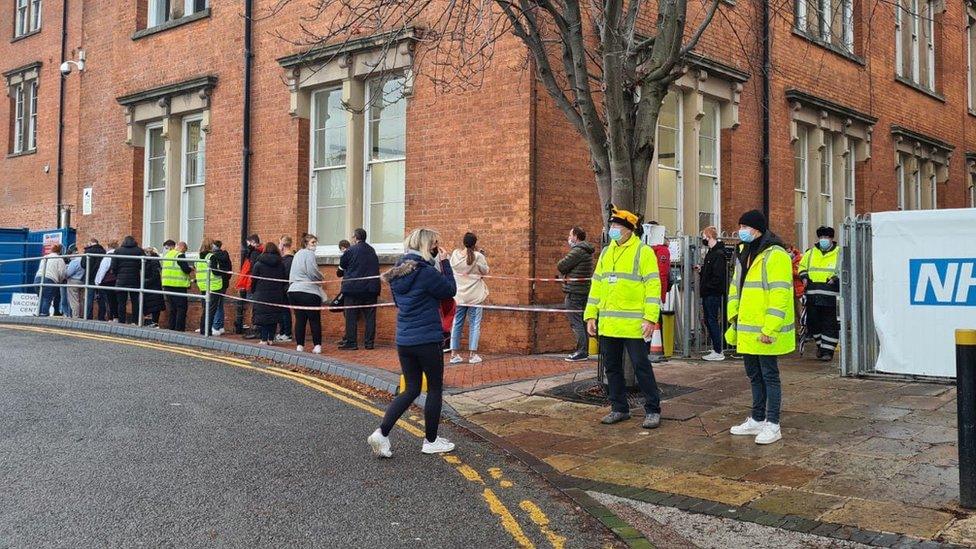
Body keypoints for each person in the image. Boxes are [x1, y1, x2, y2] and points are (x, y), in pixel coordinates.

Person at [368, 228, 457, 457]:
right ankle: (430, 441)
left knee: (411, 389)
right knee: (435, 389)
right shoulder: (426, 272)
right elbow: (449, 291)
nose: (438, 248)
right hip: (427, 338)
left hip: (405, 339)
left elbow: (400, 304)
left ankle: (382, 433)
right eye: (436, 244)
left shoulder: (398, 274)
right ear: (428, 247)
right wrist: (445, 263)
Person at [584, 207, 663, 429]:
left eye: (617, 226)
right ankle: (619, 408)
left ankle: (653, 410)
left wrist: (650, 318)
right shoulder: (607, 252)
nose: (613, 230)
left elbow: (652, 285)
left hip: (635, 325)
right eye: (612, 226)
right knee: (612, 367)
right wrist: (591, 315)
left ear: (630, 230)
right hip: (609, 324)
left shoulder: (643, 252)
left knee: (641, 366)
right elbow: (597, 284)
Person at [726, 210, 795, 445]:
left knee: (769, 376)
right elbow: (736, 287)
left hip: (764, 329)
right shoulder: (744, 253)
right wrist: (733, 320)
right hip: (747, 327)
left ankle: (773, 424)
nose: (741, 231)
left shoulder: (775, 255)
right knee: (754, 375)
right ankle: (757, 418)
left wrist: (770, 328)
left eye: (745, 226)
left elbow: (780, 294)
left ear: (757, 229)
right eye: (740, 226)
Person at [799, 226, 840, 361]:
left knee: (829, 324)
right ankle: (820, 346)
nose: (823, 240)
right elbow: (802, 267)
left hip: (830, 296)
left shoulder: (839, 253)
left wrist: (835, 278)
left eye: (826, 237)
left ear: (831, 239)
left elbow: (844, 269)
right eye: (821, 237)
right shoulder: (810, 253)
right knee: (813, 323)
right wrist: (804, 277)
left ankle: (827, 351)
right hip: (812, 295)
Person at [449, 233, 489, 364]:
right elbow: (485, 271)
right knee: (475, 324)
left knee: (457, 324)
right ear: (475, 243)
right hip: (475, 296)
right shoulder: (479, 256)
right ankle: (472, 355)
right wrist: (482, 255)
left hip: (459, 296)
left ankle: (454, 354)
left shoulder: (455, 255)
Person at [557, 226, 595, 362]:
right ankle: (584, 350)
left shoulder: (578, 251)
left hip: (574, 291)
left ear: (576, 236)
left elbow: (561, 265)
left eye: (570, 235)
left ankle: (581, 351)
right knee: (583, 322)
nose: (569, 238)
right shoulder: (587, 251)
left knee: (576, 322)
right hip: (583, 290)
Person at [339, 228, 380, 350]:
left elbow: (341, 268)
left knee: (351, 315)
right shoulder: (372, 250)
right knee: (370, 317)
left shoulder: (351, 250)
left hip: (353, 288)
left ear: (356, 238)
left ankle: (351, 342)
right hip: (371, 288)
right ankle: (369, 343)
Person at [289, 233, 327, 353]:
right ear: (306, 244)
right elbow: (312, 271)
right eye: (313, 243)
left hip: (294, 291)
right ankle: (317, 346)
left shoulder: (297, 255)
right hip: (308, 291)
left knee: (300, 319)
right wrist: (321, 277)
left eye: (316, 243)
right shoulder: (309, 254)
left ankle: (300, 345)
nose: (315, 245)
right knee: (314, 319)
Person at [696, 226, 728, 361]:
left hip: (712, 293)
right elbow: (711, 273)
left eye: (704, 236)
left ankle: (718, 350)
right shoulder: (712, 253)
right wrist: (701, 270)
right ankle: (716, 348)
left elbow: (717, 276)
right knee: (709, 321)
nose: (703, 239)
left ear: (709, 237)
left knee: (712, 320)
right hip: (709, 292)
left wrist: (707, 287)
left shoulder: (718, 254)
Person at [250, 242, 288, 345]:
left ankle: (263, 339)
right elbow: (284, 279)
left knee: (263, 318)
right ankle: (271, 339)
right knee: (273, 317)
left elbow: (253, 280)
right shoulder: (281, 264)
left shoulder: (258, 264)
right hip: (277, 294)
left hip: (261, 294)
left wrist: (253, 291)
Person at [111, 236, 146, 324]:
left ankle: (122, 321)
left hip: (121, 280)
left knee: (121, 303)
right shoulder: (139, 251)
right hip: (135, 279)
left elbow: (113, 266)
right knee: (135, 302)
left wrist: (117, 275)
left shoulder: (118, 251)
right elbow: (144, 264)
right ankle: (135, 321)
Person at [235, 234, 264, 337]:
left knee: (255, 307)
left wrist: (247, 285)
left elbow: (251, 270)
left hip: (252, 284)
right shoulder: (257, 252)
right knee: (255, 306)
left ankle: (257, 329)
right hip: (251, 283)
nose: (247, 246)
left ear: (253, 242)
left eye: (248, 243)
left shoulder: (254, 253)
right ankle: (256, 328)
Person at [161, 240, 193, 331]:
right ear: (182, 247)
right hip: (178, 286)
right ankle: (179, 329)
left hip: (167, 285)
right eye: (185, 250)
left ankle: (172, 328)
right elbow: (185, 269)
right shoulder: (179, 255)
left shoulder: (168, 255)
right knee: (181, 308)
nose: (184, 252)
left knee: (173, 309)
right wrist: (190, 269)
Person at [196, 238, 225, 336]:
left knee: (205, 309)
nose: (214, 246)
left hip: (203, 286)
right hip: (213, 286)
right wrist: (222, 272)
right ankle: (207, 331)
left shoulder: (198, 257)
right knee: (211, 310)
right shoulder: (211, 257)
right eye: (212, 244)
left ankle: (203, 330)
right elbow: (215, 271)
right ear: (210, 245)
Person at [34, 244, 67, 317]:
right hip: (50, 279)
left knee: (41, 298)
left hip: (38, 278)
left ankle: (38, 314)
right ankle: (44, 315)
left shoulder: (45, 257)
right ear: (60, 251)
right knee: (47, 298)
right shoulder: (59, 259)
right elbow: (62, 272)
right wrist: (60, 281)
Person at [210, 240, 233, 336]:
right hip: (224, 282)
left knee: (216, 305)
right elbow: (229, 268)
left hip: (216, 282)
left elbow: (214, 271)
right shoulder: (225, 255)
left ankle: (215, 326)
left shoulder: (213, 256)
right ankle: (220, 326)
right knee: (220, 304)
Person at [276, 235, 295, 343]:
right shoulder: (292, 259)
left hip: (284, 288)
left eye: (279, 243)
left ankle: (286, 333)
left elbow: (284, 275)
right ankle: (283, 332)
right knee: (284, 311)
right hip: (288, 287)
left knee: (285, 311)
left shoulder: (285, 260)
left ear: (283, 245)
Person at [83, 238, 108, 320]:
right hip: (101, 278)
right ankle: (101, 317)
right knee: (102, 298)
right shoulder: (104, 252)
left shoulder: (88, 251)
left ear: (90, 243)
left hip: (90, 278)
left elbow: (83, 264)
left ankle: (88, 316)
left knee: (89, 298)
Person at [94, 240, 119, 321]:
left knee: (109, 301)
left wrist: (97, 281)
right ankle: (116, 317)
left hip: (107, 281)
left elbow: (103, 269)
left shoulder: (108, 256)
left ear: (109, 247)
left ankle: (110, 318)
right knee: (116, 300)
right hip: (117, 280)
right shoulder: (119, 255)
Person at [141, 247, 165, 327]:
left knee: (155, 306)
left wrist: (145, 282)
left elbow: (155, 275)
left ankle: (154, 323)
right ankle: (150, 322)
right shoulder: (148, 260)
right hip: (149, 286)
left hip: (153, 286)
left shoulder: (153, 261)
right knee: (150, 305)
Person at [65, 249, 86, 318]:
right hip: (82, 281)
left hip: (73, 281)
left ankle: (75, 316)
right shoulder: (84, 260)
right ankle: (82, 315)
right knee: (81, 300)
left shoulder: (74, 261)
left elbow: (68, 273)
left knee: (74, 300)